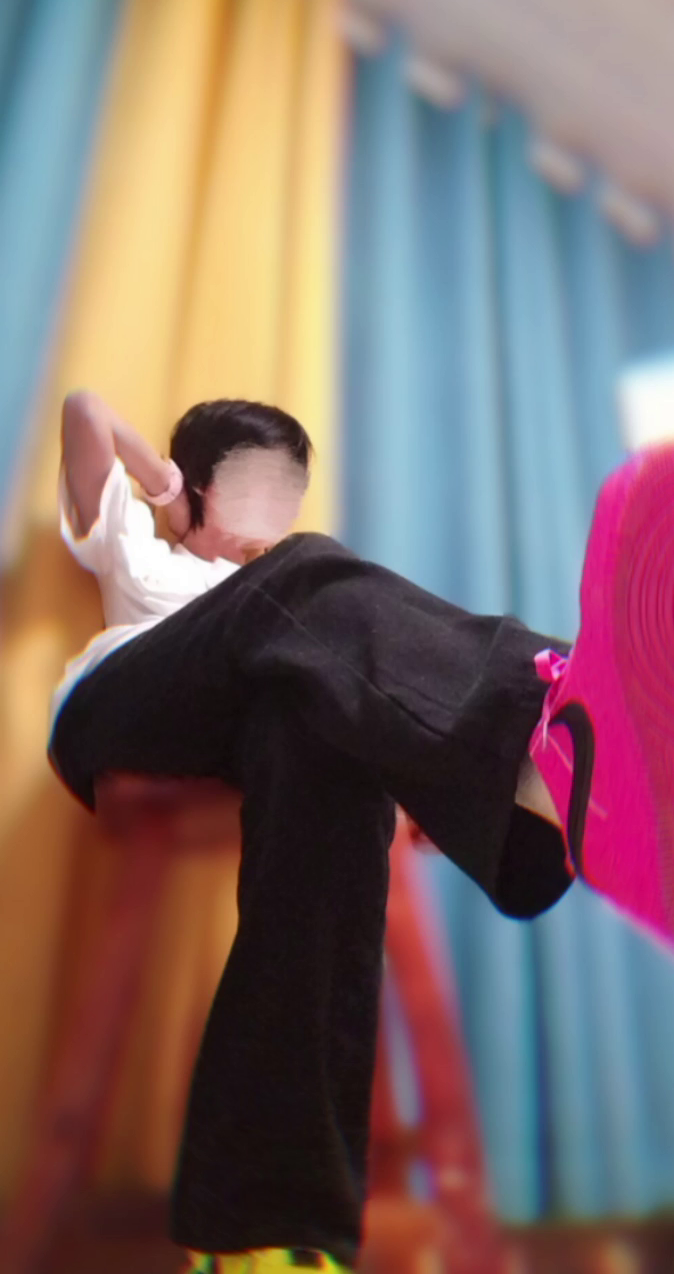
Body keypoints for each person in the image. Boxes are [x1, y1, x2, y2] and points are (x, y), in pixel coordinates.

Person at [47, 389, 674, 1273]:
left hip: (249, 715)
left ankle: (263, 1232)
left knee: (324, 753)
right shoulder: (140, 543)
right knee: (310, 575)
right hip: (117, 705)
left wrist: (424, 765)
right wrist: (166, 493)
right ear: (204, 481)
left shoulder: (292, 621)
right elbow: (85, 413)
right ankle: (554, 752)